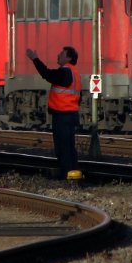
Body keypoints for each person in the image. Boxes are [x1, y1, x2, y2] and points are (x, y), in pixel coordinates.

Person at [26, 46, 81, 177]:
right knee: (70, 147)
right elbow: (79, 97)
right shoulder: (75, 73)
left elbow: (47, 74)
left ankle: (67, 175)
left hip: (62, 115)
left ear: (68, 58)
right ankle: (74, 175)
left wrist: (35, 59)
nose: (58, 55)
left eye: (61, 54)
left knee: (63, 148)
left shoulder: (65, 72)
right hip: (71, 114)